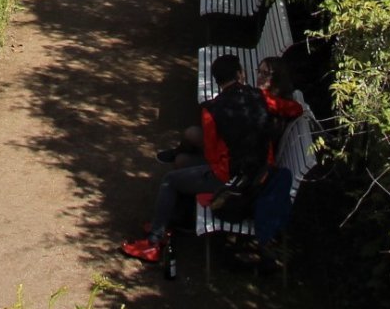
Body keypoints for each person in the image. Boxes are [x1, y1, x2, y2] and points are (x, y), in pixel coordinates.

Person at [124, 55, 303, 264]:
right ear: (240, 74)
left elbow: (211, 154)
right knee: (182, 163)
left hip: (234, 180)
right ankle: (170, 221)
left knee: (171, 180)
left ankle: (154, 242)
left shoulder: (211, 109)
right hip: (263, 173)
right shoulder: (261, 97)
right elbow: (295, 109)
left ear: (217, 81)